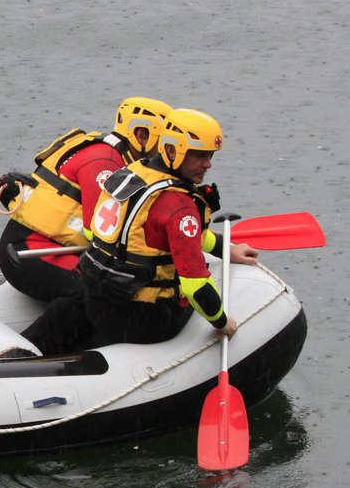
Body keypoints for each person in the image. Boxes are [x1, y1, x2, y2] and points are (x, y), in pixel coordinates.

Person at [20, 108, 259, 355]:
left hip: (98, 301)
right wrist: (221, 322)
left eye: (210, 156)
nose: (207, 164)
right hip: (146, 320)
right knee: (203, 291)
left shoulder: (130, 173)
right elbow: (194, 285)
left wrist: (224, 248)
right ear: (170, 150)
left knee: (72, 308)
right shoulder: (180, 206)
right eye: (198, 156)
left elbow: (161, 235)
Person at [0, 97, 173, 302]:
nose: (168, 154)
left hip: (46, 247)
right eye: (164, 144)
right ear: (142, 135)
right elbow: (99, 233)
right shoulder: (105, 163)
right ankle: (42, 335)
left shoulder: (117, 159)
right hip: (29, 252)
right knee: (99, 294)